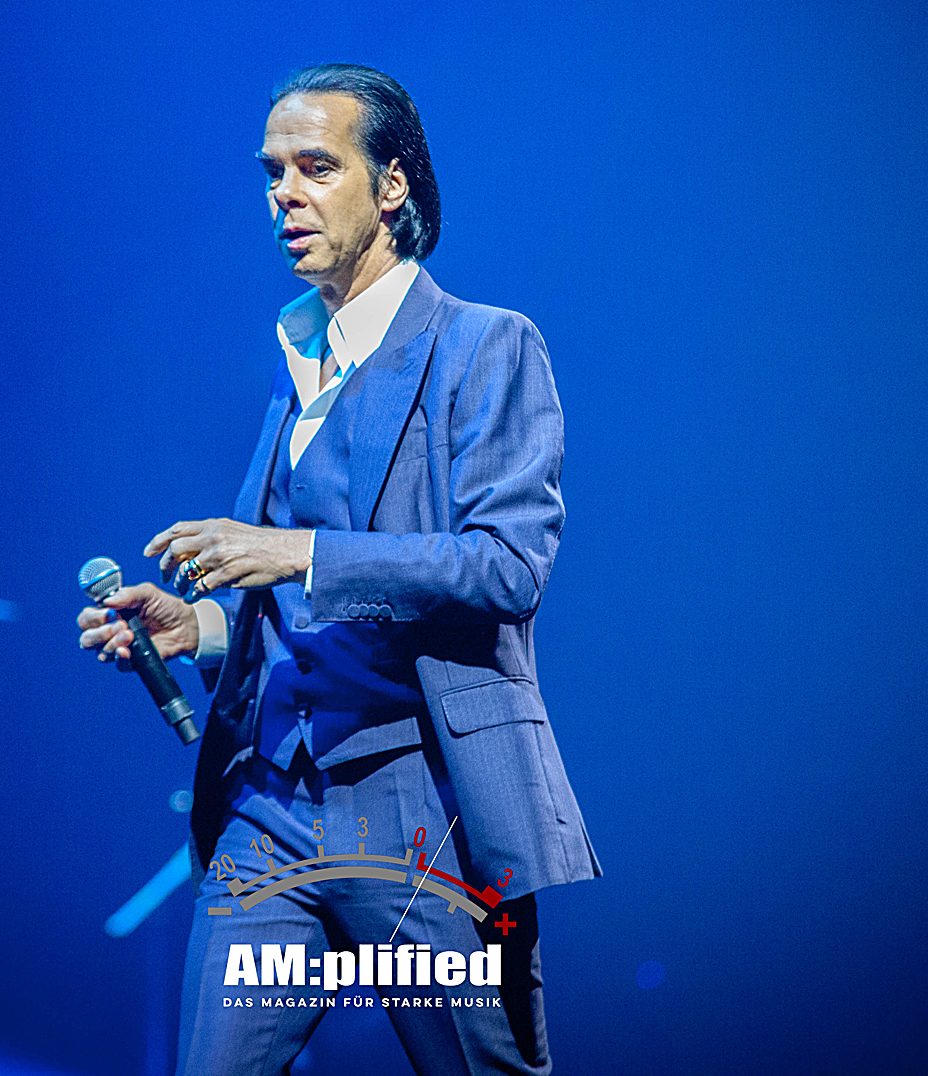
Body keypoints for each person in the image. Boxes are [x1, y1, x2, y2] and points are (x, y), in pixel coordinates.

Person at [77, 64, 599, 1075]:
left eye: (316, 167)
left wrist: (297, 552)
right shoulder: (295, 362)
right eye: (272, 172)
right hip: (269, 808)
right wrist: (206, 629)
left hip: (421, 810)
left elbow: (507, 567)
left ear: (391, 184)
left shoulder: (484, 345)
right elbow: (306, 604)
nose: (285, 193)